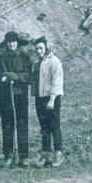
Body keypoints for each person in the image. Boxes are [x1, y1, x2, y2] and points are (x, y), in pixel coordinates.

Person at [0, 30, 32, 167]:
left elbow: (28, 75)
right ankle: (8, 155)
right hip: (5, 97)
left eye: (14, 41)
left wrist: (17, 77)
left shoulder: (25, 57)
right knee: (7, 126)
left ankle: (23, 156)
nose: (12, 44)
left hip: (20, 96)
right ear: (6, 44)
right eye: (9, 42)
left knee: (22, 125)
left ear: (18, 43)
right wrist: (3, 77)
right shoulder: (1, 58)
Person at [31, 36, 64, 167]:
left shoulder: (54, 62)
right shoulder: (37, 63)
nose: (38, 51)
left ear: (46, 48)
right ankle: (45, 155)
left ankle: (58, 154)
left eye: (41, 48)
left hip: (52, 98)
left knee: (54, 126)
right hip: (40, 98)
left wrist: (52, 99)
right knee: (44, 127)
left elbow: (57, 82)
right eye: (37, 49)